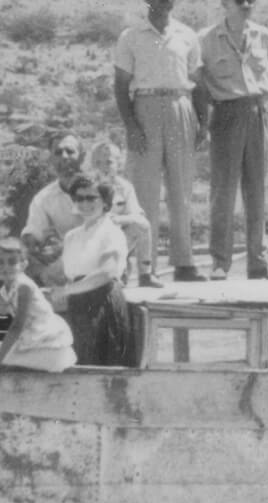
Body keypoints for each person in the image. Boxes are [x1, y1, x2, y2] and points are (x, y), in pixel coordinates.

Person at [113, 0, 207, 282]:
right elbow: (121, 86)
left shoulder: (187, 35)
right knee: (145, 194)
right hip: (145, 108)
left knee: (181, 191)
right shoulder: (131, 37)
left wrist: (202, 121)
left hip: (181, 106)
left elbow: (198, 81)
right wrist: (131, 126)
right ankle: (145, 268)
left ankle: (184, 264)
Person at [198, 0, 268, 281]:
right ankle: (220, 263)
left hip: (256, 112)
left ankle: (258, 262)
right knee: (223, 192)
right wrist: (213, 97)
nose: (246, 5)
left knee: (257, 190)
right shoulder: (207, 39)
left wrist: (265, 89)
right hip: (225, 113)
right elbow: (196, 77)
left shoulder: (263, 35)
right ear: (224, 2)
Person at [49, 175, 134, 366]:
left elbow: (107, 273)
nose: (84, 203)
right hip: (78, 304)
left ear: (105, 202)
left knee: (100, 366)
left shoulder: (111, 232)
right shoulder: (72, 236)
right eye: (79, 198)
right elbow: (63, 273)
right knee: (79, 363)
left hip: (102, 303)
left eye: (91, 198)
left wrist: (67, 290)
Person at [0, 238, 76, 373]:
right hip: (33, 339)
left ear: (24, 265)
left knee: (5, 364)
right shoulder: (7, 286)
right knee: (7, 363)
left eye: (12, 262)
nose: (6, 267)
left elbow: (17, 325)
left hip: (47, 344)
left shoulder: (23, 286)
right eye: (0, 262)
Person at [89, 140, 162, 288]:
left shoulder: (125, 187)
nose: (103, 167)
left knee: (142, 225)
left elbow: (136, 215)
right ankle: (113, 273)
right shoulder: (87, 186)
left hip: (119, 239)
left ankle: (145, 274)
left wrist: (116, 219)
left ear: (118, 164)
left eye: (108, 162)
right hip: (92, 244)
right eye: (98, 163)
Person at [21, 133, 86, 287]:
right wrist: (31, 243)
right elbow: (34, 231)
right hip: (58, 258)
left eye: (70, 151)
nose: (64, 157)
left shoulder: (96, 188)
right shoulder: (43, 198)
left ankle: (44, 279)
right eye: (58, 152)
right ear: (51, 159)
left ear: (82, 156)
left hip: (91, 253)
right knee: (17, 252)